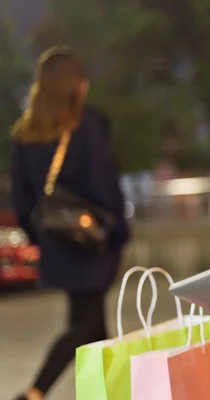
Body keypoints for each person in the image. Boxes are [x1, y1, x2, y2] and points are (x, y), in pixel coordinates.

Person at [10, 47, 130, 400]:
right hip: (92, 240)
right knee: (85, 324)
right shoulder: (85, 124)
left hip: (57, 245)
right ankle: (34, 392)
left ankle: (112, 392)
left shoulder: (25, 133)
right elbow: (103, 184)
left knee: (93, 325)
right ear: (75, 85)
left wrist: (44, 237)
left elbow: (22, 201)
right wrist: (117, 233)